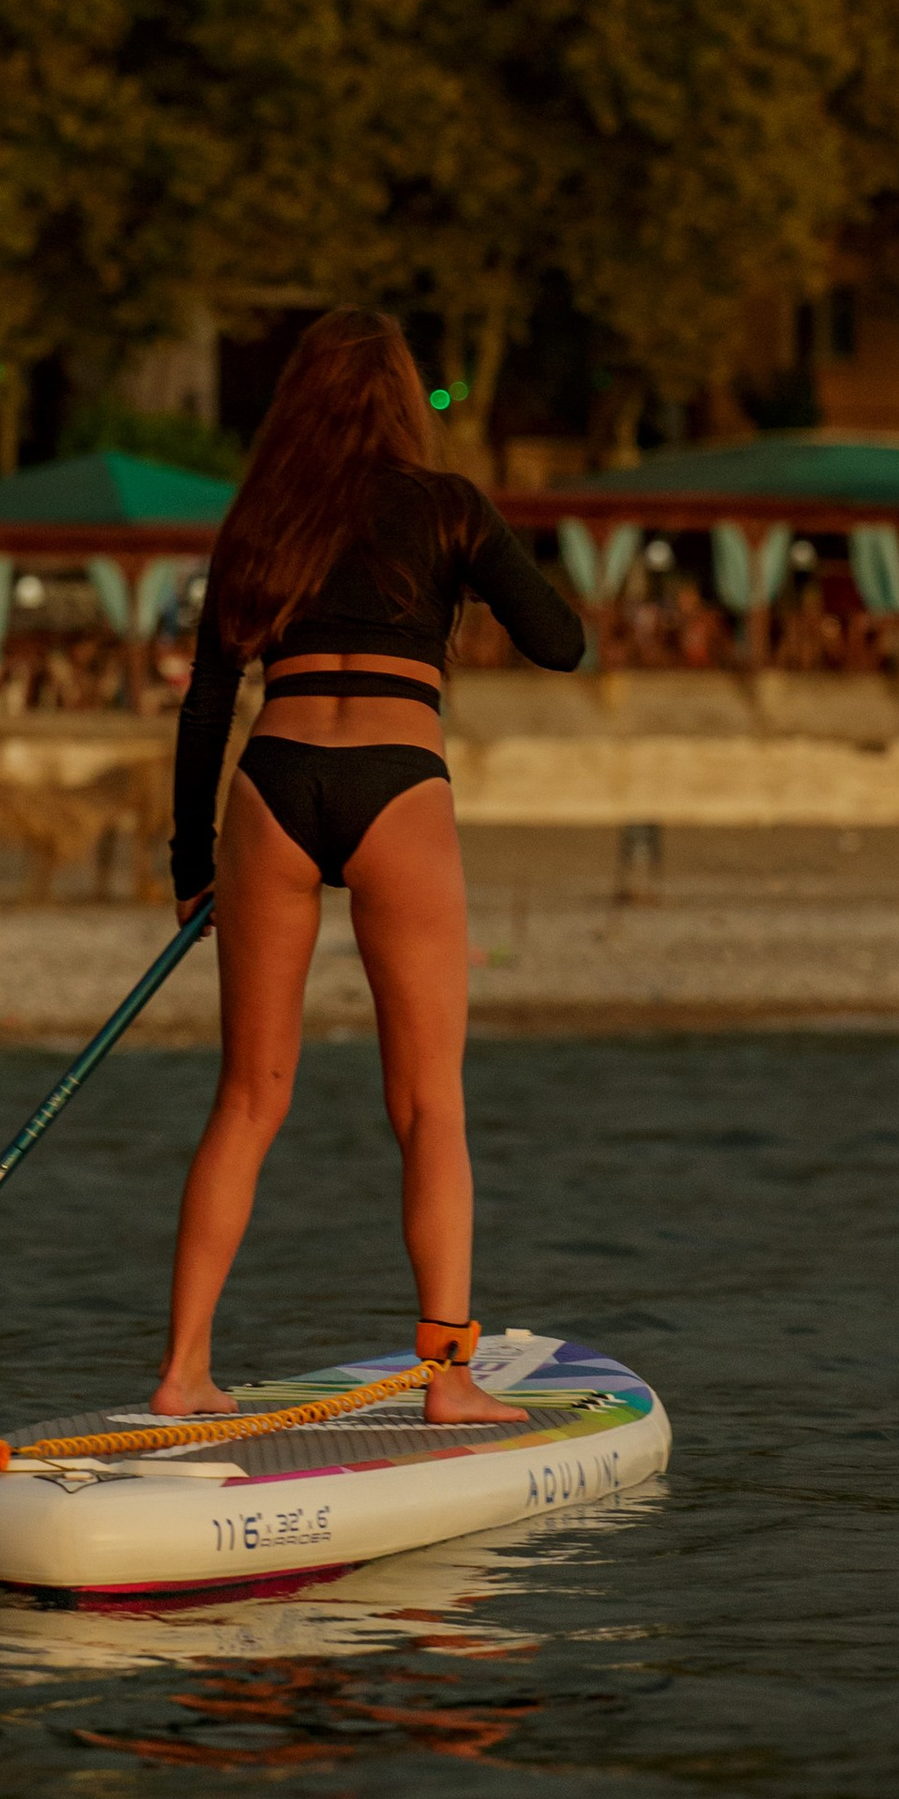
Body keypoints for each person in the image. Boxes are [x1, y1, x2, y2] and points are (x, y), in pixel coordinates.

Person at [153, 310, 586, 1423]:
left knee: (248, 1099)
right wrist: (472, 567)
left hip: (273, 780)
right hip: (396, 781)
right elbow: (561, 642)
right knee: (428, 1104)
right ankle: (449, 1384)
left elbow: (207, 703)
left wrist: (189, 864)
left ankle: (182, 1374)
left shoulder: (264, 520)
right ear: (403, 399)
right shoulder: (445, 507)